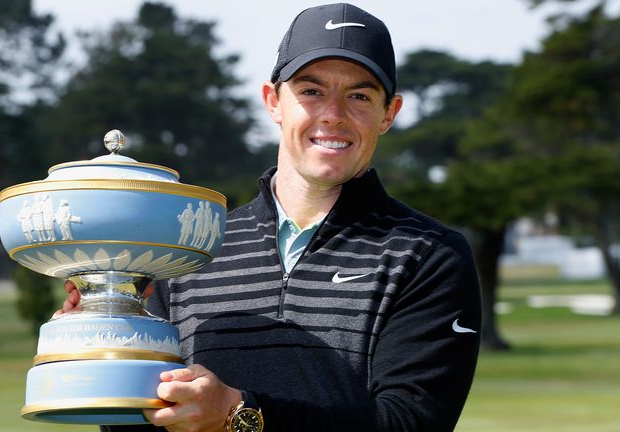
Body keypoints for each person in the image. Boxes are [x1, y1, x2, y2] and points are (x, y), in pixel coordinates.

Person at [57, 3, 481, 431]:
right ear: (273, 101)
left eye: (359, 96)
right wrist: (104, 352)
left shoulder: (429, 254)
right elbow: (145, 418)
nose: (333, 114)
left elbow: (411, 422)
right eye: (311, 91)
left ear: (388, 113)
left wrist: (239, 414)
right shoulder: (191, 245)